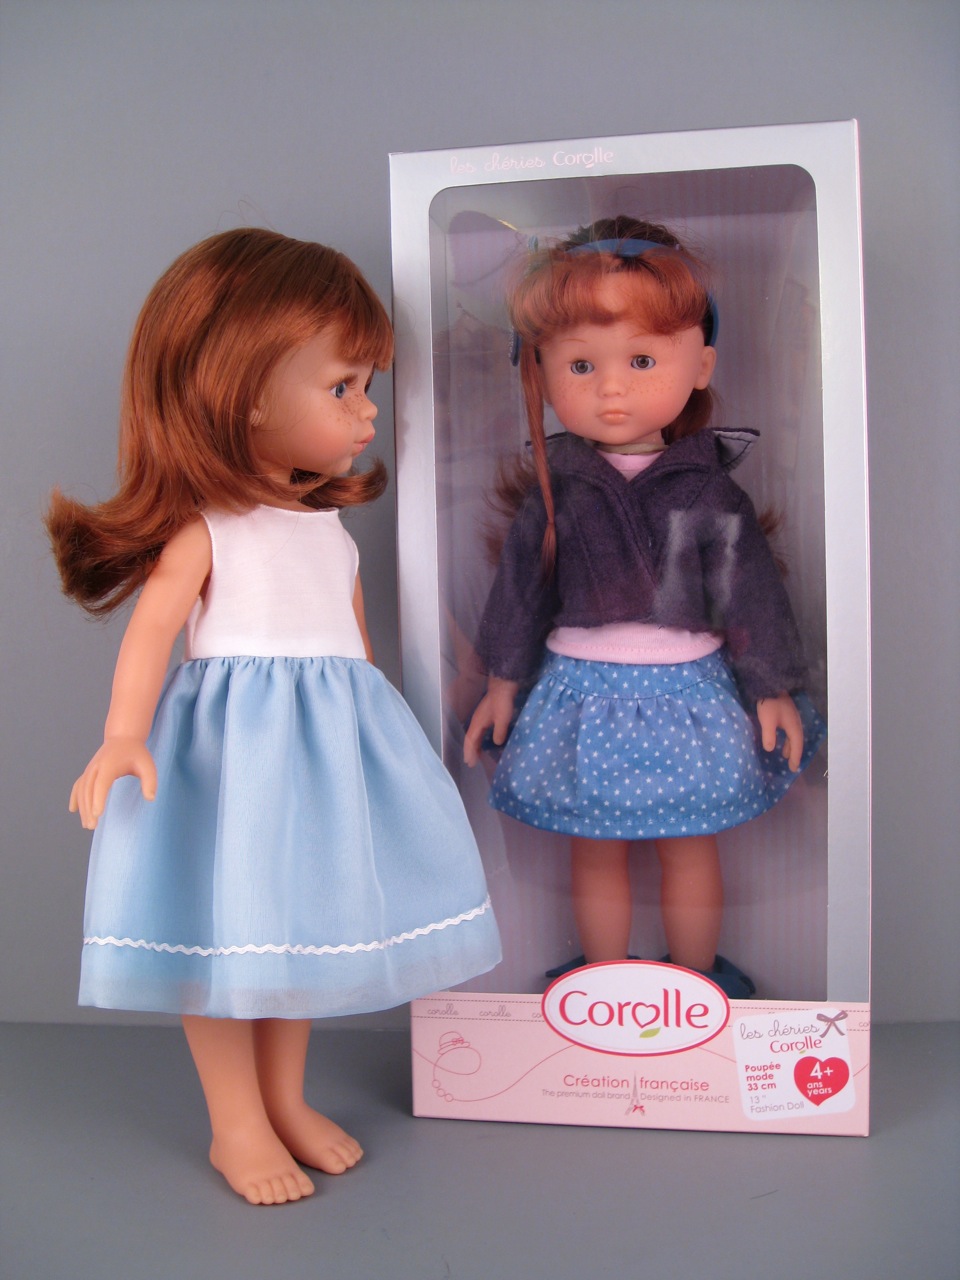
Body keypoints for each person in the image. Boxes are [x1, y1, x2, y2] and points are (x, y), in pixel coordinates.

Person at [47, 228, 500, 1205]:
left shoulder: (327, 528)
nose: (368, 409)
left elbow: (355, 649)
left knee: (296, 928)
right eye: (342, 386)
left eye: (366, 385)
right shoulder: (207, 528)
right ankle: (236, 1122)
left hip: (327, 752)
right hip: (232, 755)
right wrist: (123, 736)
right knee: (226, 933)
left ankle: (284, 1099)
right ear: (247, 393)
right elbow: (153, 629)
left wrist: (381, 752)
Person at [464, 216, 824, 996]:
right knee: (593, 849)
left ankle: (693, 982)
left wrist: (770, 685)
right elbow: (521, 590)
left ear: (702, 365)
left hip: (689, 693)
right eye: (580, 364)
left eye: (641, 359)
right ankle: (602, 984)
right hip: (580, 693)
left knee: (690, 846)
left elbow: (749, 592)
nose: (612, 387)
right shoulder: (558, 491)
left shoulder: (708, 489)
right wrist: (501, 680)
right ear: (539, 373)